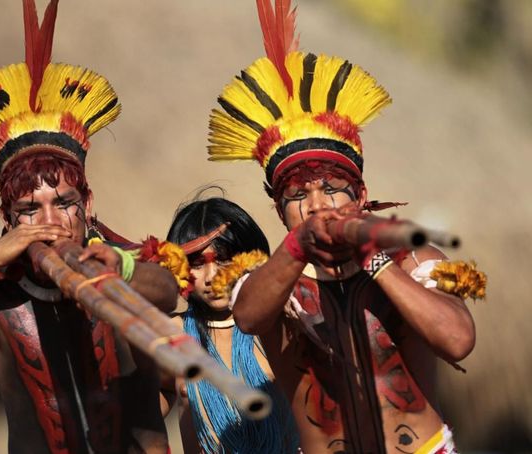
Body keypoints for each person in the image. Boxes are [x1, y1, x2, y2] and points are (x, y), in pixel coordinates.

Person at [0, 1, 178, 453]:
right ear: (7, 219)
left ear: (88, 204)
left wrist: (113, 272)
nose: (49, 222)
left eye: (63, 203)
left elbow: (166, 291)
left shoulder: (126, 265)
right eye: (30, 209)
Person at [206, 1, 485, 452]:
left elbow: (458, 341)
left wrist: (372, 260)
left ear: (359, 194)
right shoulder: (270, 281)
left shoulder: (413, 260)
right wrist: (298, 250)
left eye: (331, 189)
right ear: (280, 212)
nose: (316, 205)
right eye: (296, 196)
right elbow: (249, 317)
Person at [162, 195, 299, 454]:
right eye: (197, 264)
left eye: (224, 259)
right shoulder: (171, 336)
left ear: (250, 257)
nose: (212, 277)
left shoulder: (281, 324)